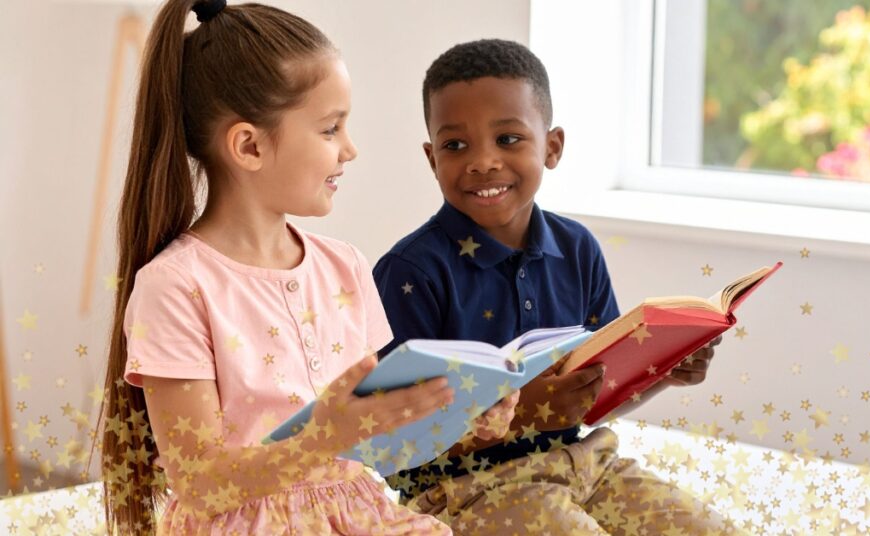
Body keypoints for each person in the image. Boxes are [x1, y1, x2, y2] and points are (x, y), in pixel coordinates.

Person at [98, 3, 514, 534]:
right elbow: (200, 483)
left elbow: (375, 442)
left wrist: (460, 421)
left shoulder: (345, 266)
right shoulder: (176, 287)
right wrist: (325, 437)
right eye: (330, 129)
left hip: (356, 513)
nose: (351, 148)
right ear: (249, 145)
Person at [373, 39, 725, 534]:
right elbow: (394, 443)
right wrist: (525, 414)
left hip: (586, 465)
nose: (482, 162)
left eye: (508, 139)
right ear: (432, 158)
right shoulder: (410, 272)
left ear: (552, 146)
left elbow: (598, 395)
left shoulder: (577, 247)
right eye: (456, 145)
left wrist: (662, 369)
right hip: (469, 489)